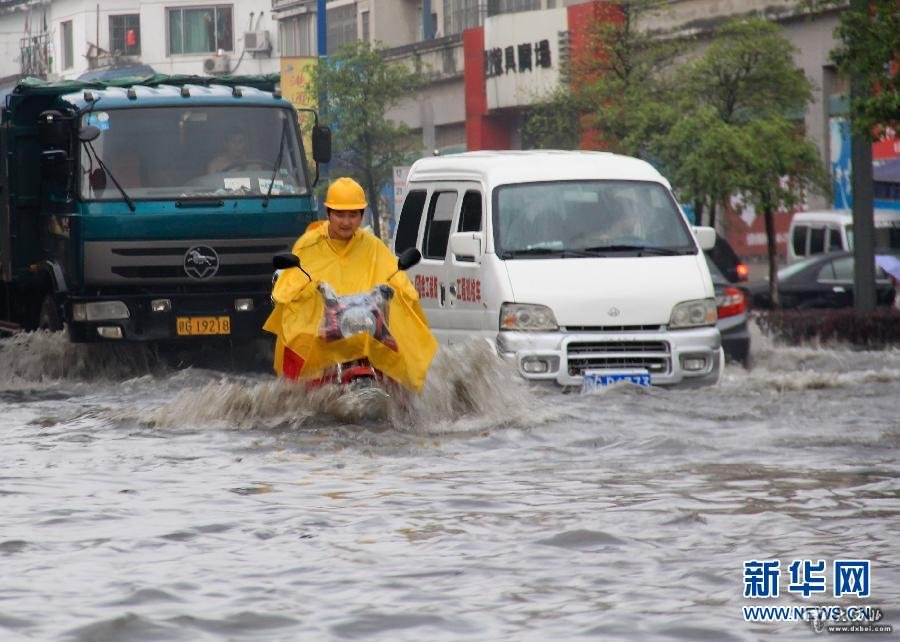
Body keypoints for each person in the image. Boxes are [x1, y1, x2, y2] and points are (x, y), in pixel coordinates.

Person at [263, 177, 437, 391]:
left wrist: (402, 291)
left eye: (353, 215)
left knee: (401, 349)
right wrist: (306, 295)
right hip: (323, 326)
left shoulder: (373, 246)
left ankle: (404, 397)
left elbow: (393, 276)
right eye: (340, 214)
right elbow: (290, 285)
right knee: (299, 343)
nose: (346, 222)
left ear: (362, 215)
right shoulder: (308, 245)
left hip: (364, 324)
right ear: (328, 213)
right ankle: (300, 394)